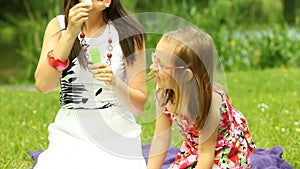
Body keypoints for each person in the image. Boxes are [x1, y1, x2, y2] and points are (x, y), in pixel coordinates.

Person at [34, 0, 147, 168]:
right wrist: (70, 33)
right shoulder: (58, 27)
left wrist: (115, 82)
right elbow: (43, 84)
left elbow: (139, 106)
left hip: (116, 133)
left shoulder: (128, 31)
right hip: (70, 133)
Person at [147, 27, 256, 169]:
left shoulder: (209, 104)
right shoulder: (163, 93)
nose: (152, 68)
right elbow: (160, 138)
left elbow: (206, 154)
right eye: (155, 59)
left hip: (224, 150)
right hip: (195, 146)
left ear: (186, 75)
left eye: (161, 65)